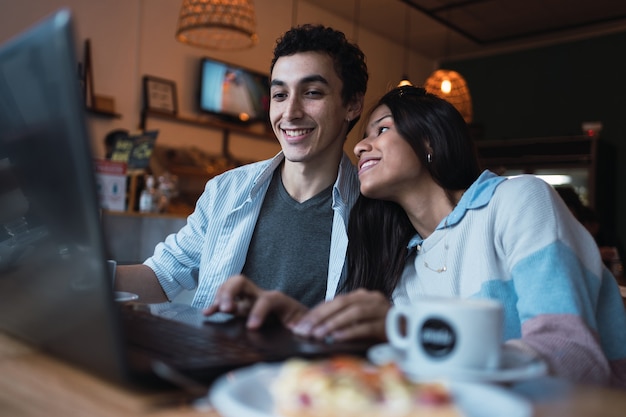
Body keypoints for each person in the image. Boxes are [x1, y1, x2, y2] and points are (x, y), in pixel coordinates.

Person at [210, 86, 626, 388]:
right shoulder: (405, 266)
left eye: (381, 129)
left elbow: (576, 357)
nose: (360, 147)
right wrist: (306, 325)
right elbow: (421, 376)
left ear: (427, 139)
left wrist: (401, 328)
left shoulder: (517, 200)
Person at [114, 24, 368, 307]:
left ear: (352, 104)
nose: (291, 112)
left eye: (312, 93)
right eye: (280, 95)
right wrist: (83, 274)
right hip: (212, 350)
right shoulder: (225, 191)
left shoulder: (375, 209)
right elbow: (161, 276)